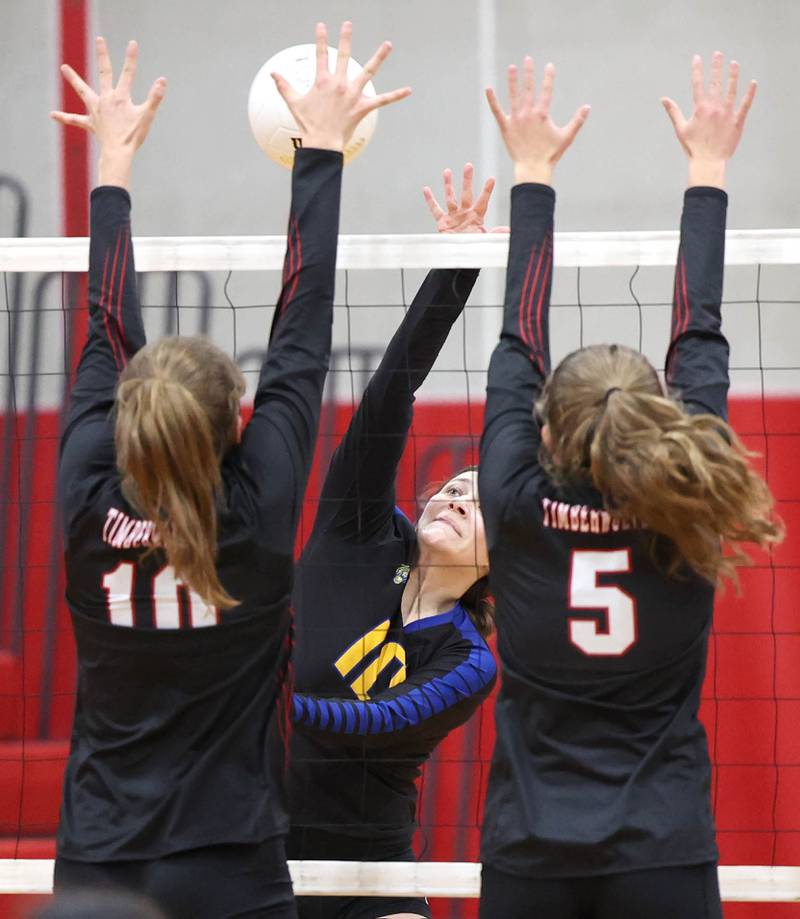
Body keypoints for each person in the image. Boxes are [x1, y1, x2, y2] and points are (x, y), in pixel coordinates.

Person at [51, 26, 409, 919]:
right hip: (232, 868)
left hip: (99, 864)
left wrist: (114, 164)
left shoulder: (88, 503)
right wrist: (321, 153)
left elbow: (103, 327)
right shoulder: (254, 512)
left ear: (126, 424)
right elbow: (304, 323)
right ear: (236, 426)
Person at [477, 52, 782, 919]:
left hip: (531, 857)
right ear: (666, 420)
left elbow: (517, 335)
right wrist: (709, 170)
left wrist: (531, 173)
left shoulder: (510, 497)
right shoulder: (689, 507)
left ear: (541, 429)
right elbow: (703, 331)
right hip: (661, 849)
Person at [287, 164, 500, 919]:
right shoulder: (358, 533)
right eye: (453, 485)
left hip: (366, 867)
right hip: (256, 847)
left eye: (477, 501)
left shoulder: (468, 661)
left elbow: (370, 726)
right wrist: (456, 271)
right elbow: (388, 397)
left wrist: (252, 694)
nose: (453, 493)